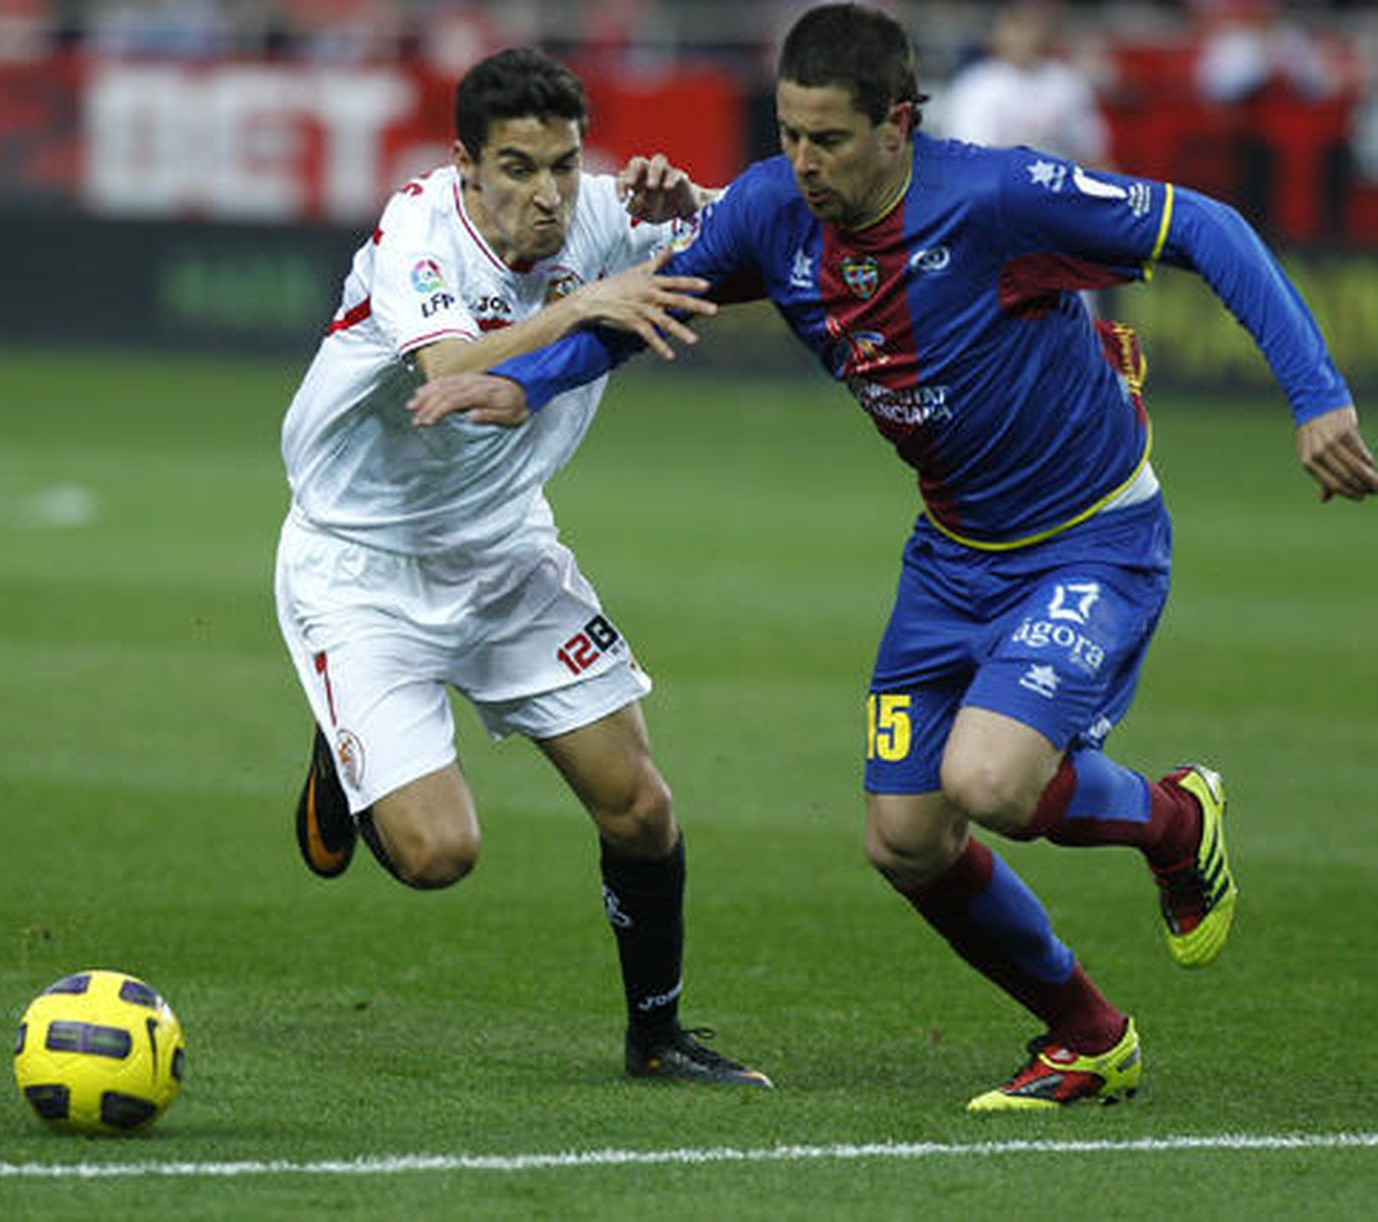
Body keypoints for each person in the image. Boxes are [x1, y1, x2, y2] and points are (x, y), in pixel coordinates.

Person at [409, 5, 1378, 1110]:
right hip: (951, 556)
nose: (801, 163)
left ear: (898, 125)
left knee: (987, 781)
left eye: (827, 138)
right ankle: (1087, 1033)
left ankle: (1174, 819)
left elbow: (1208, 227)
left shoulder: (995, 198)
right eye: (786, 135)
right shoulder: (774, 213)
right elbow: (647, 309)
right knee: (905, 838)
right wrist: (519, 380)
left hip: (1090, 540)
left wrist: (1317, 398)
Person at [274, 46, 771, 1088]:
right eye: (515, 168)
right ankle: (345, 743)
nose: (545, 196)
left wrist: (696, 205)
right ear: (464, 164)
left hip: (504, 550)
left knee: (639, 807)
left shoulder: (600, 213)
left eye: (561, 165)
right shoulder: (419, 227)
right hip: (359, 567)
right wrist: (586, 305)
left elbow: (760, 246)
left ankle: (657, 1036)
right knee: (436, 856)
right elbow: (447, 370)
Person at [937, 1, 1110, 166]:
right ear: (998, 35)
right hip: (996, 189)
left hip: (1056, 186)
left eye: (1030, 30)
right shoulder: (976, 85)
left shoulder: (1067, 83)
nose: (1024, 39)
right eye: (1016, 30)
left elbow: (1091, 153)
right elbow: (970, 159)